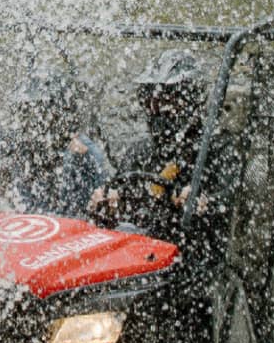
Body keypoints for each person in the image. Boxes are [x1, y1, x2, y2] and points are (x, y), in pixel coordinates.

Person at [91, 49, 222, 243]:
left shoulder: (216, 151)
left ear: (190, 101)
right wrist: (105, 202)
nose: (157, 110)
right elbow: (117, 193)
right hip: (137, 253)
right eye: (150, 101)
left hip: (192, 257)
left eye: (167, 102)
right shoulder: (140, 151)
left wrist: (203, 203)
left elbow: (228, 208)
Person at [0, 65, 110, 219]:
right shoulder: (22, 150)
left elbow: (105, 189)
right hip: (36, 226)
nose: (30, 121)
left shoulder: (82, 148)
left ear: (57, 112)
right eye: (24, 113)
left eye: (36, 112)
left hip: (74, 227)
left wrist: (100, 192)